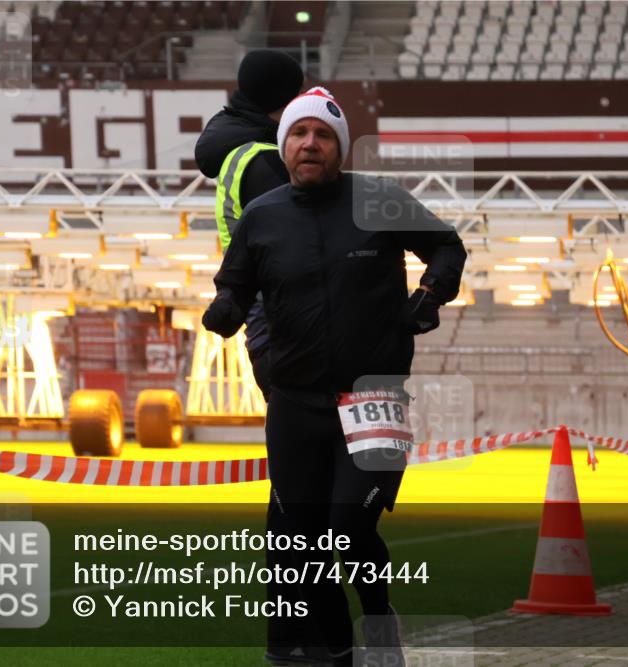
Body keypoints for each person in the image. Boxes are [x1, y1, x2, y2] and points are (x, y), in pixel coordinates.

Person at [203, 87, 466, 664]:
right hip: (295, 406)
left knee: (347, 526)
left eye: (323, 135)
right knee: (304, 548)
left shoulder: (380, 200)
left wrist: (430, 294)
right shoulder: (261, 216)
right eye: (298, 133)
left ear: (340, 148)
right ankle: (340, 656)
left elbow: (448, 247)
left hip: (374, 398)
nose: (309, 144)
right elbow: (237, 282)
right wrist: (224, 306)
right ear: (284, 144)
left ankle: (378, 617)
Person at [194, 50, 314, 665]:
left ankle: (294, 636)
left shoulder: (237, 146)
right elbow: (298, 243)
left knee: (299, 489)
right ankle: (300, 637)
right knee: (304, 493)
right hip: (284, 324)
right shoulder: (265, 161)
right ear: (284, 101)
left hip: (266, 323)